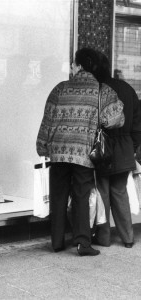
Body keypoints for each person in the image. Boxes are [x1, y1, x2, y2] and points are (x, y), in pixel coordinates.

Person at [36, 47, 125, 256]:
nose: (71, 67)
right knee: (81, 196)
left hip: (58, 152)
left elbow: (47, 121)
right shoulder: (102, 90)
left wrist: (42, 146)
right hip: (84, 154)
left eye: (73, 64)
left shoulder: (59, 89)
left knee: (58, 196)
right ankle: (82, 243)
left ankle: (57, 242)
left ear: (80, 66)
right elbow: (115, 119)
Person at [92, 51, 141, 248]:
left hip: (103, 147)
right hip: (124, 147)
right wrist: (134, 147)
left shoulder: (97, 89)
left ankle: (103, 238)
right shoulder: (127, 89)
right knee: (120, 191)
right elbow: (138, 123)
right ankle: (128, 237)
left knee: (102, 191)